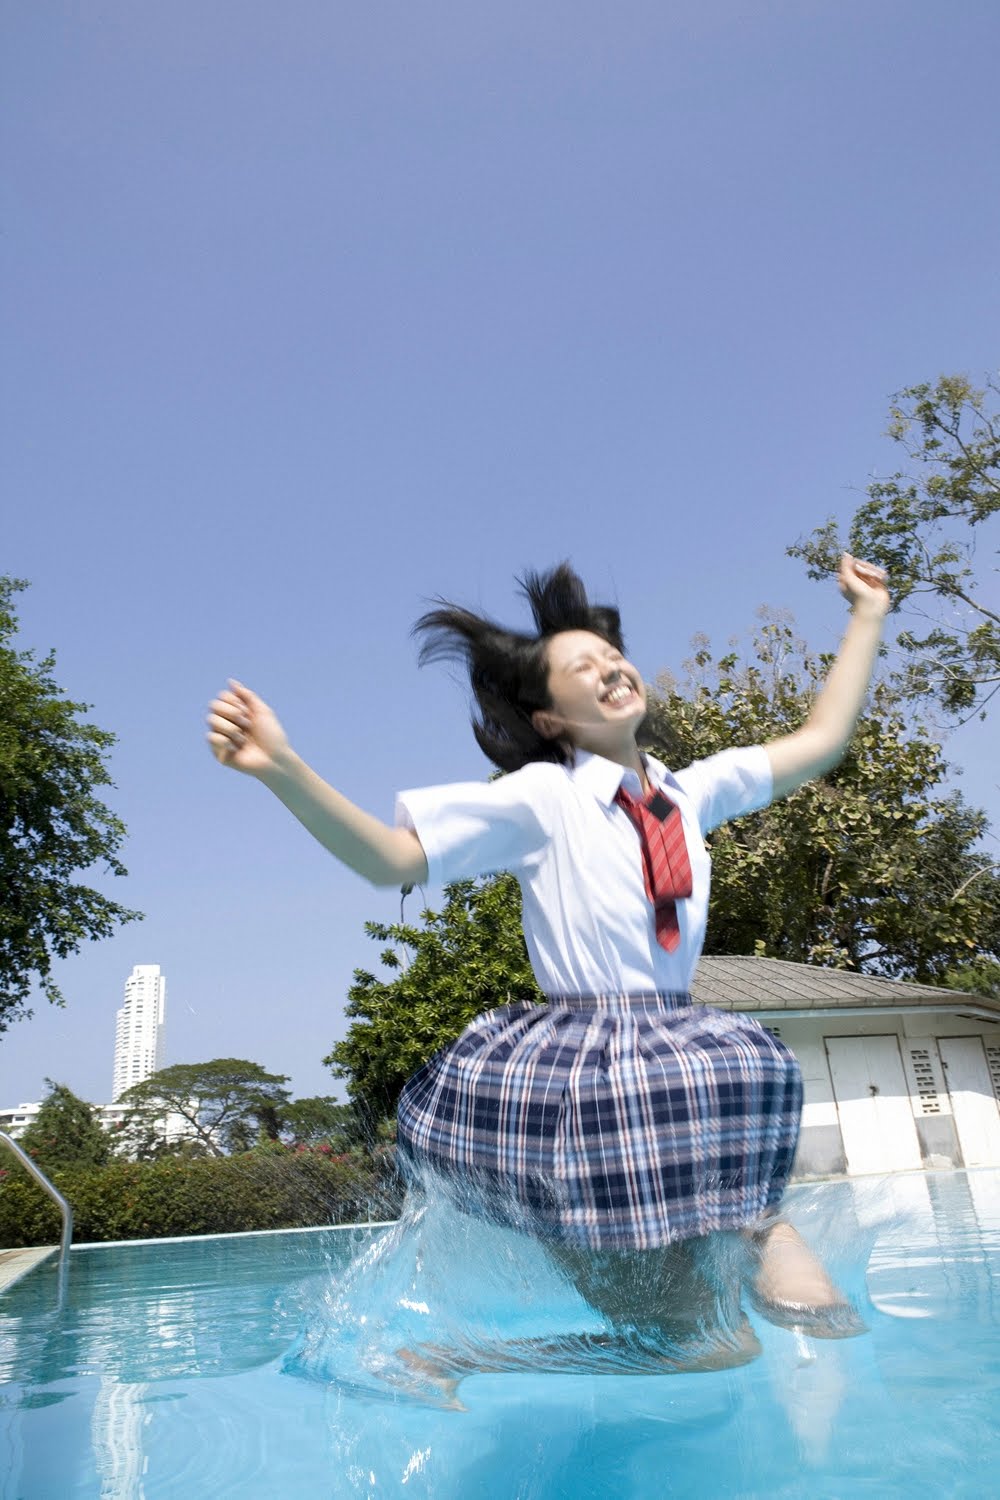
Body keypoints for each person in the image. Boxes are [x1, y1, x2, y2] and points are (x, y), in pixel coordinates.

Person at [207, 554, 889, 1400]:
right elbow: (391, 861)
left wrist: (867, 615)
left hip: (683, 1050)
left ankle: (759, 1226)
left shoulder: (690, 792)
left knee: (753, 1100)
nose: (609, 668)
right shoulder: (544, 799)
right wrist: (281, 767)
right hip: (592, 1072)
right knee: (709, 1348)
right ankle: (462, 1356)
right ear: (550, 718)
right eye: (581, 668)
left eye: (612, 656)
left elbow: (821, 743)